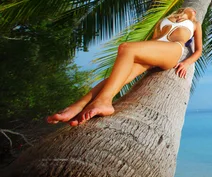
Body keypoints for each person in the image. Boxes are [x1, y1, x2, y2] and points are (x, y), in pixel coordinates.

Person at [47, 7, 202, 126]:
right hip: (156, 50)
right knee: (118, 77)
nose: (193, 10)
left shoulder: (195, 24)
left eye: (194, 11)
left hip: (173, 49)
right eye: (189, 8)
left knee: (126, 48)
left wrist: (186, 62)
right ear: (181, 9)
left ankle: (105, 101)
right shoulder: (166, 19)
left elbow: (199, 50)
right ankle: (77, 107)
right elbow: (155, 39)